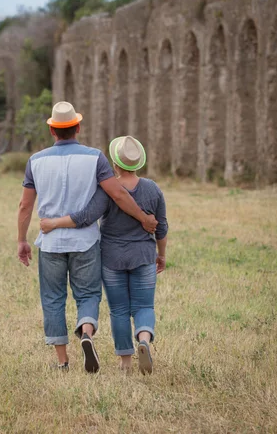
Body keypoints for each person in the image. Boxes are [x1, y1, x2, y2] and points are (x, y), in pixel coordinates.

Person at [17, 103, 158, 373]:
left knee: (53, 298)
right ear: (78, 128)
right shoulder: (95, 158)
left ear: (51, 130)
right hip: (85, 242)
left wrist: (22, 239)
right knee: (88, 294)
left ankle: (62, 361)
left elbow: (25, 206)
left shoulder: (35, 160)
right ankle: (87, 333)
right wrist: (143, 218)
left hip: (51, 242)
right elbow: (117, 194)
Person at [40, 135, 168, 374]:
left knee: (118, 309)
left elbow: (87, 216)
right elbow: (161, 227)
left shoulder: (107, 188)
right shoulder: (153, 189)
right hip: (143, 255)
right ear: (138, 163)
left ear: (115, 164)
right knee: (144, 306)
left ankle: (125, 362)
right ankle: (143, 339)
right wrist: (161, 254)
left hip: (112, 258)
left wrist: (55, 223)